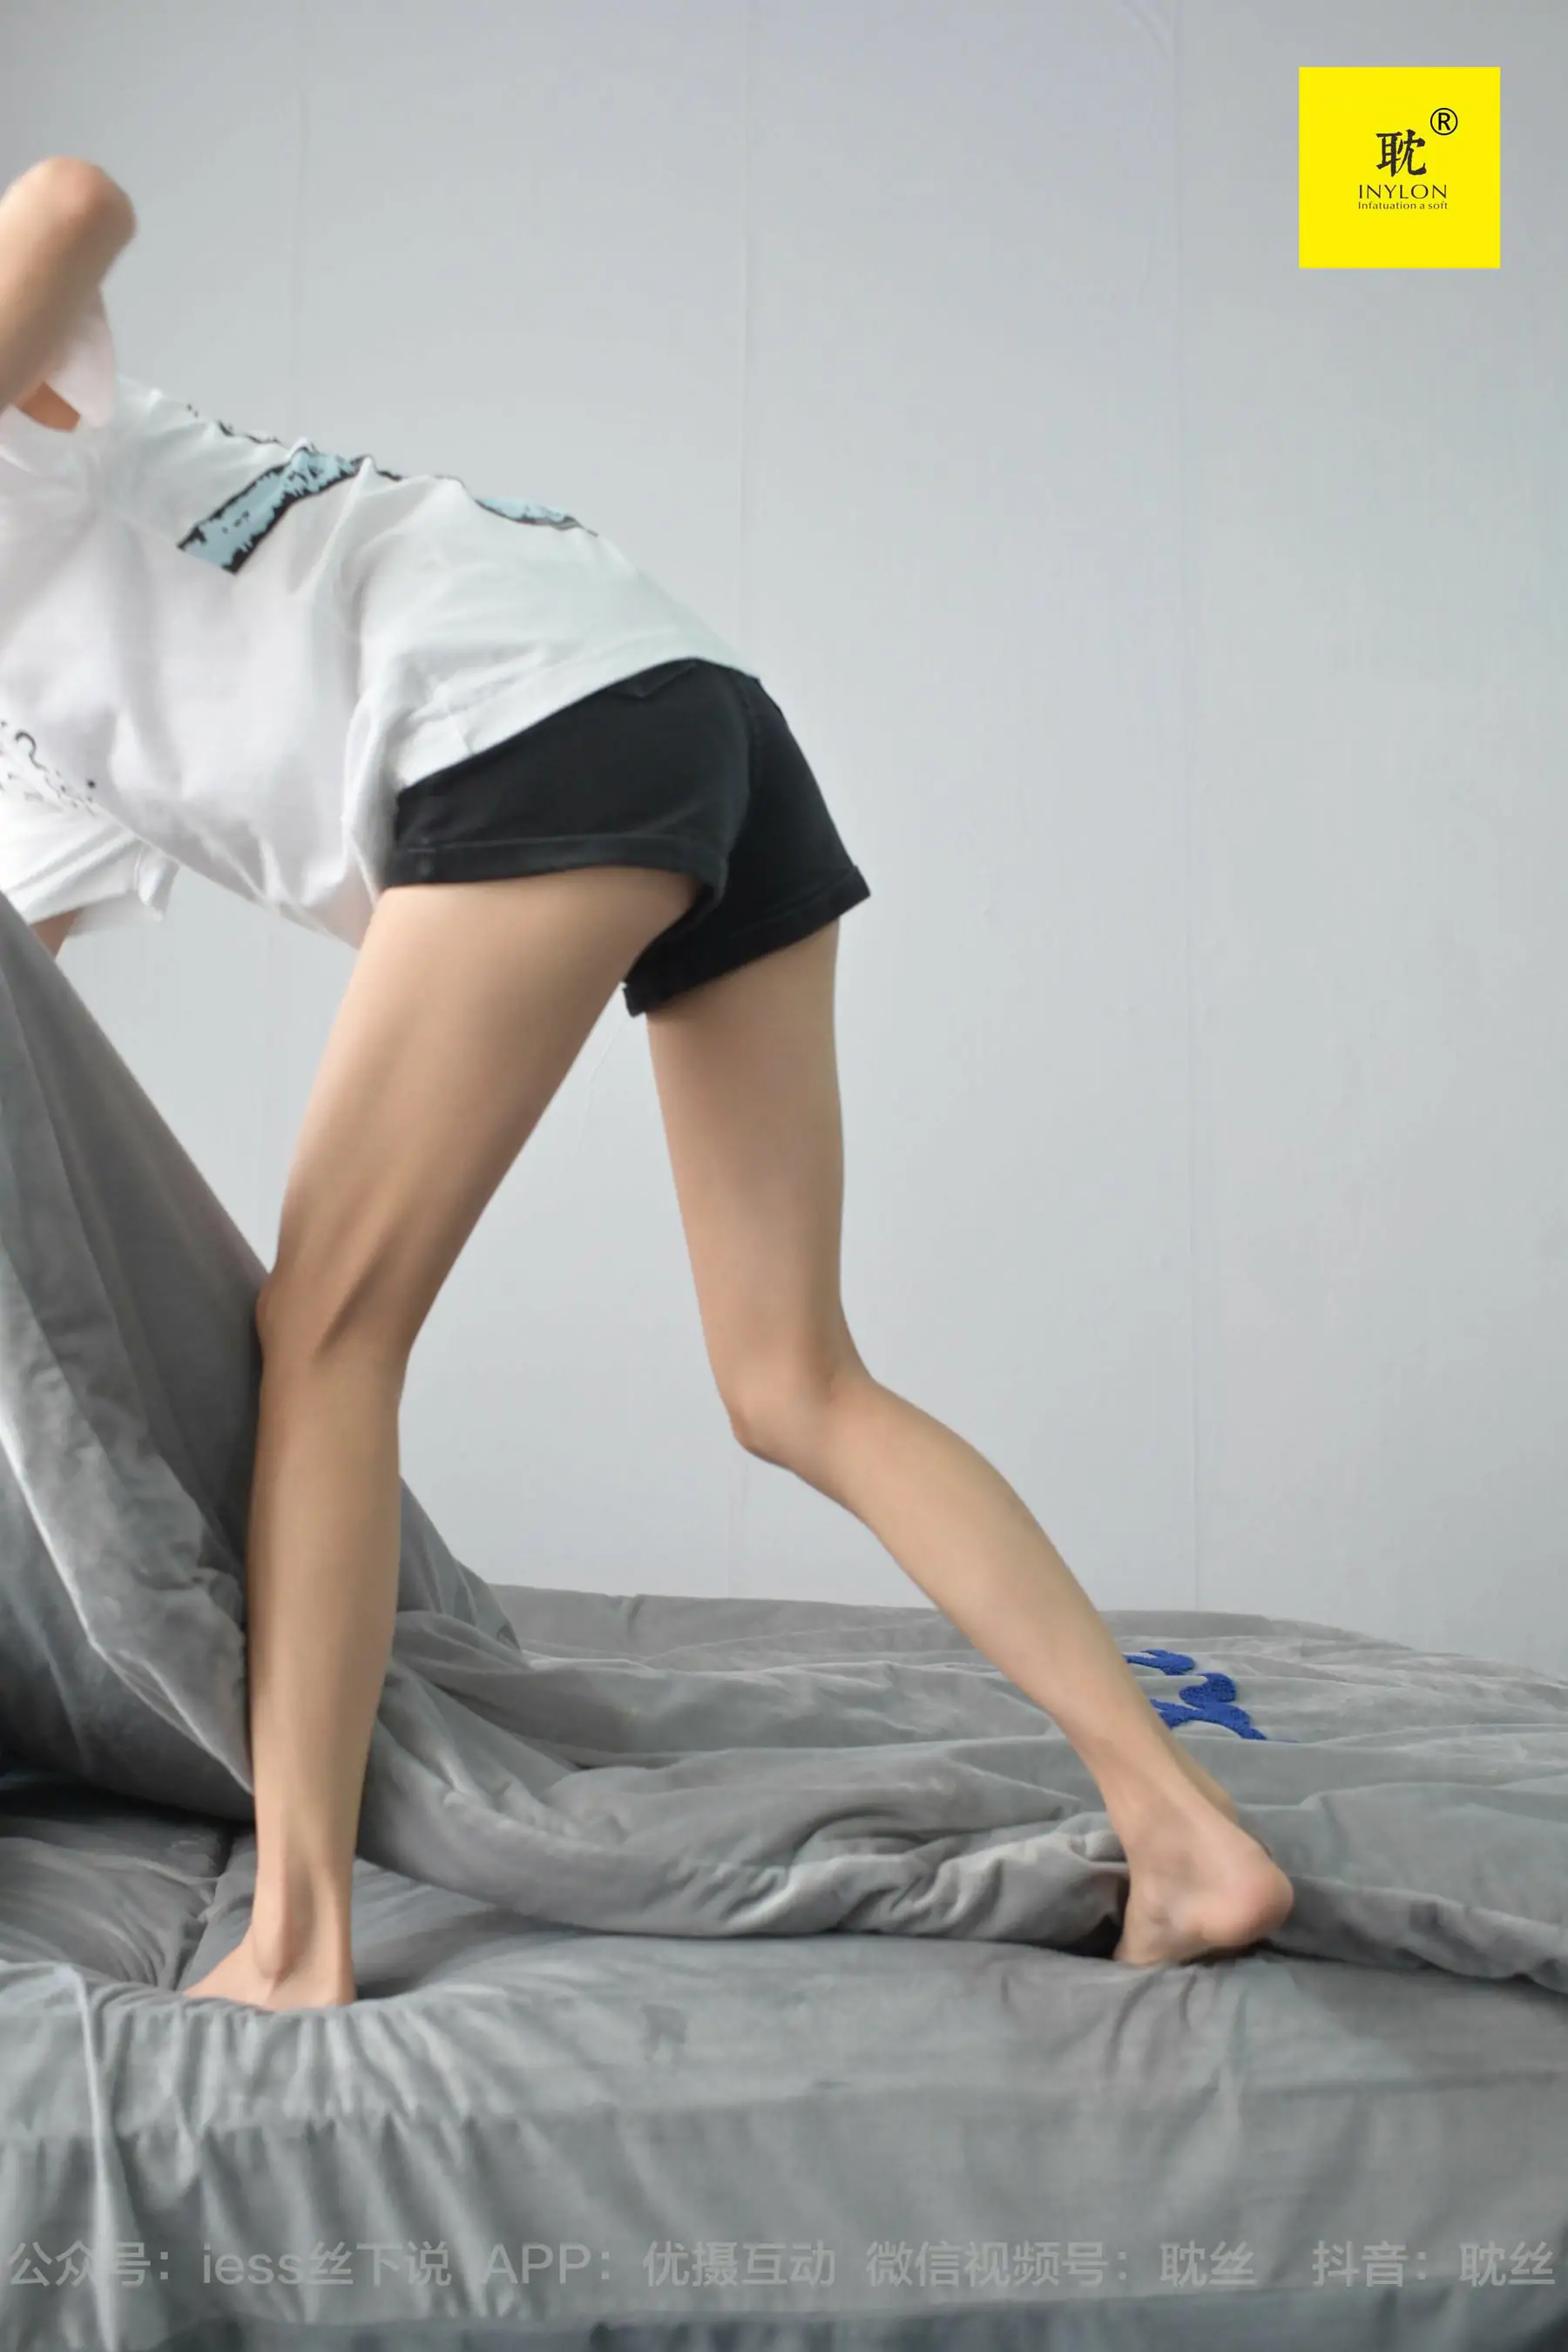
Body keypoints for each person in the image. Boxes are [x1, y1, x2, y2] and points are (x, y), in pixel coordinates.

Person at [0, 157, 1294, 2011]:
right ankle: (1185, 1832)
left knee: (327, 1338)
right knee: (794, 1381)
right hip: (680, 703)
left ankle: (293, 1939)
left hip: (516, 720)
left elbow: (68, 197)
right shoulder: (34, 730)